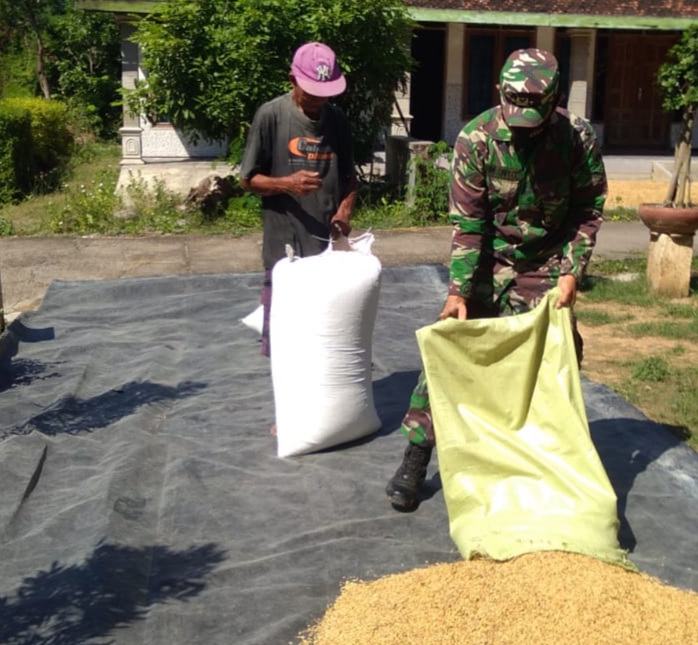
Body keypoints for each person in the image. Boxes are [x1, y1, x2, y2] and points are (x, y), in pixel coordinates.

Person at [384, 48, 609, 512]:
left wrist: (571, 273)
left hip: (545, 264)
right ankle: (417, 454)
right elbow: (469, 225)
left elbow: (588, 210)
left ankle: (546, 460)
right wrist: (458, 291)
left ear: (555, 100)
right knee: (451, 347)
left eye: (535, 116)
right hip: (487, 261)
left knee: (556, 358)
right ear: (499, 95)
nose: (523, 126)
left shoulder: (577, 138)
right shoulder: (477, 139)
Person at [239, 41, 359, 357]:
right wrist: (286, 183)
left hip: (327, 250)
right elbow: (248, 180)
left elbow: (350, 178)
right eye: (311, 91)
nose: (319, 99)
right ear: (292, 80)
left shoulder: (338, 121)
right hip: (285, 249)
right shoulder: (271, 116)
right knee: (283, 343)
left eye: (325, 92)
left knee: (322, 338)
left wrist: (344, 211)